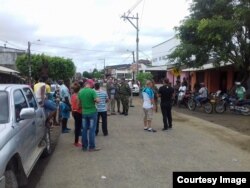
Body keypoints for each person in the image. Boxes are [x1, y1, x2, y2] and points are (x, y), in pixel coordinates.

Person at [78, 79, 101, 152]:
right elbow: (97, 100)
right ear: (90, 84)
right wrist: (96, 100)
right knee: (92, 130)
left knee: (84, 130)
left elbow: (79, 104)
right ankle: (91, 147)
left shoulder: (80, 92)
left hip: (84, 113)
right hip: (92, 112)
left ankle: (84, 147)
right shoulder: (92, 91)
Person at [71, 82, 82, 147]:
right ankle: (76, 142)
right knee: (78, 127)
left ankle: (76, 141)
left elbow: (71, 104)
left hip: (74, 112)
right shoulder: (79, 96)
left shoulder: (72, 95)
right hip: (79, 112)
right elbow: (79, 105)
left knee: (76, 126)